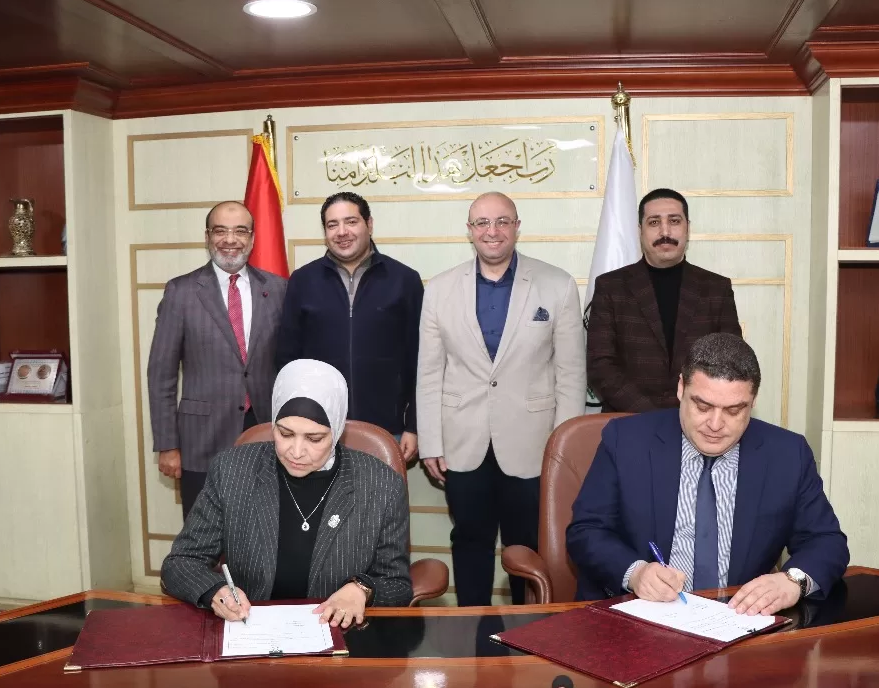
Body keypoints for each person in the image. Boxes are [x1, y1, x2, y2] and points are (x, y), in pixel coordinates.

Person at [566, 333, 849, 614]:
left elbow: (827, 541)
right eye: (703, 406)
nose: (715, 424)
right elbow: (586, 531)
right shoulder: (626, 441)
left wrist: (793, 581)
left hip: (739, 620)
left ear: (753, 401)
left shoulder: (786, 454)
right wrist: (635, 573)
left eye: (734, 410)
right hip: (639, 616)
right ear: (681, 388)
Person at [417, 192, 586, 605]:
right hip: (461, 442)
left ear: (517, 227)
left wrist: (562, 448)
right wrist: (431, 442)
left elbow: (570, 374)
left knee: (526, 545)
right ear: (469, 230)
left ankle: (526, 630)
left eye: (502, 222)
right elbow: (430, 372)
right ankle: (470, 625)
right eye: (482, 223)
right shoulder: (439, 289)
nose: (492, 231)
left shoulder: (557, 285)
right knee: (469, 539)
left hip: (533, 444)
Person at [160, 359, 412, 627]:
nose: (296, 451)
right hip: (251, 631)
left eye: (314, 439)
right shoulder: (232, 470)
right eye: (285, 433)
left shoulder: (381, 484)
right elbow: (181, 562)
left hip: (340, 635)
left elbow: (397, 584)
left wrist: (362, 589)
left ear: (337, 430)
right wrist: (215, 591)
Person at [147, 200, 288, 519]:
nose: (230, 239)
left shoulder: (278, 289)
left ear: (252, 238)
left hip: (264, 432)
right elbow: (161, 375)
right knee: (204, 534)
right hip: (201, 439)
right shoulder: (181, 291)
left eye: (240, 231)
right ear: (207, 236)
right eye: (220, 231)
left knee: (262, 529)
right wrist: (168, 444)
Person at [276, 192, 424, 462]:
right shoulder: (303, 281)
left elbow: (420, 359)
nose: (342, 232)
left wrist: (413, 426)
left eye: (351, 222)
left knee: (382, 492)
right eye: (332, 225)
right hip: (317, 428)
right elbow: (287, 360)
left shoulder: (404, 280)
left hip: (387, 428)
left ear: (369, 224)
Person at [587, 187, 741, 411]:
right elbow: (600, 365)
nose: (665, 231)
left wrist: (690, 410)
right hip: (629, 418)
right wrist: (651, 413)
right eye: (654, 222)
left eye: (674, 221)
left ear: (688, 228)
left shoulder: (716, 288)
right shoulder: (610, 287)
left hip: (699, 418)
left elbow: (730, 360)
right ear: (640, 231)